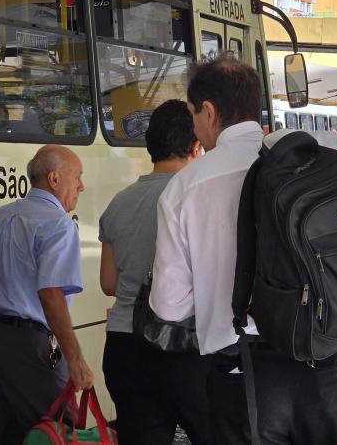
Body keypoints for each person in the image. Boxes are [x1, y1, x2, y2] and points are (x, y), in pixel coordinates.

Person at [149, 54, 337, 444]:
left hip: (244, 376)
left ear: (208, 112)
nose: (195, 128)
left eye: (194, 115)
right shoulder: (317, 148)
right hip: (330, 365)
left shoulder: (184, 188)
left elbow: (169, 306)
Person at [98, 100, 212, 445]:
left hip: (124, 347)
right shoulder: (197, 198)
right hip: (183, 346)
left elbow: (109, 283)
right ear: (195, 146)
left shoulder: (119, 202)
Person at [0, 144, 94, 445]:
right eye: (77, 177)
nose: (81, 186)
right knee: (59, 433)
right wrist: (74, 359)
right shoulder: (58, 224)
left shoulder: (0, 217)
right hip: (30, 348)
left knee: (8, 435)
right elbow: (51, 293)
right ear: (54, 178)